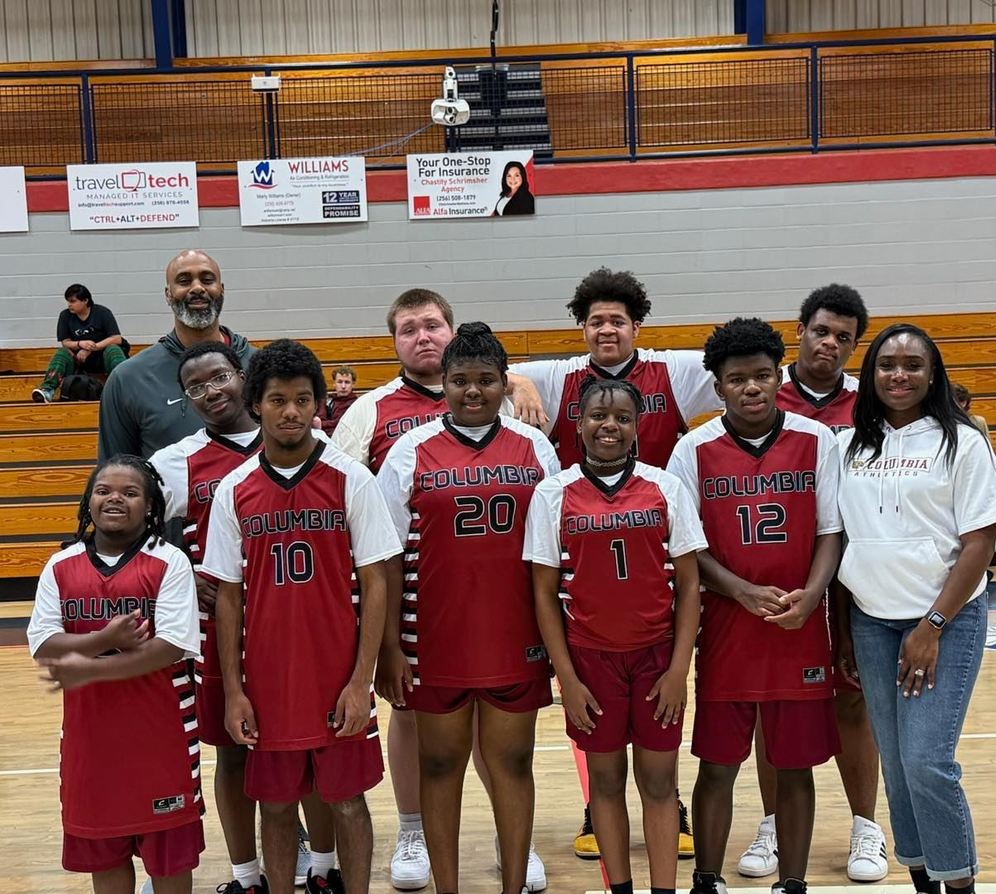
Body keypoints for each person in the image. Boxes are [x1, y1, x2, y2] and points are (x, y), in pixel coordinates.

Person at [332, 289, 548, 892]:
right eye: (460, 381)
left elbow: (551, 555)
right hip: (433, 637)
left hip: (515, 635)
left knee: (512, 763)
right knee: (440, 763)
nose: (472, 391)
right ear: (444, 384)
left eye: (485, 380)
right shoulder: (407, 451)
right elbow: (386, 556)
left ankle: (514, 872)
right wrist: (391, 650)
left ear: (506, 384)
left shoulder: (535, 447)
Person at [509, 267, 719, 859]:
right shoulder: (559, 376)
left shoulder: (670, 370)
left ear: (636, 327)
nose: (606, 329)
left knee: (657, 738)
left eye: (617, 321)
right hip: (587, 539)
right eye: (596, 320)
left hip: (656, 536)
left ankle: (667, 805)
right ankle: (597, 807)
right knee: (602, 731)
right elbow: (485, 365)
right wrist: (517, 381)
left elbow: (744, 371)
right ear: (582, 327)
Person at [202, 339, 401, 894]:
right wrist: (236, 691)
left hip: (337, 675)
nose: (291, 411)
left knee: (348, 803)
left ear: (319, 405)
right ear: (256, 405)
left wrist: (361, 682)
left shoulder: (349, 479)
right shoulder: (234, 490)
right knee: (277, 807)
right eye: (277, 400)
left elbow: (376, 580)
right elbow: (228, 597)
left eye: (302, 399)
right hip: (269, 682)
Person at [667, 317, 843, 894]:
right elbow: (685, 549)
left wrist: (813, 595)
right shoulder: (691, 450)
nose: (752, 388)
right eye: (737, 379)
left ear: (778, 377)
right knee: (718, 764)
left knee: (794, 766)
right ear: (716, 386)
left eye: (763, 376)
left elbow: (830, 532)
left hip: (799, 627)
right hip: (725, 629)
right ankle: (707, 879)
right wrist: (739, 590)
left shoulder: (817, 441)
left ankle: (792, 881)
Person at [836, 324, 996, 894]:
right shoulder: (847, 444)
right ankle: (923, 882)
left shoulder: (962, 441)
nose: (898, 375)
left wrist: (931, 625)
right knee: (900, 770)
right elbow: (837, 540)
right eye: (886, 365)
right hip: (872, 622)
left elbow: (980, 540)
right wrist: (840, 634)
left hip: (945, 620)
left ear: (933, 375)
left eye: (912, 365)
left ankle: (959, 885)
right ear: (870, 374)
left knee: (928, 760)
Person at [526, 376, 706, 894]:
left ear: (638, 424)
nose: (610, 426)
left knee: (658, 784)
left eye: (623, 418)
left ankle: (665, 889)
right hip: (590, 661)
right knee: (604, 784)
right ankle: (620, 888)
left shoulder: (665, 487)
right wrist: (567, 679)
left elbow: (690, 585)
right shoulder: (553, 492)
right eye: (598, 417)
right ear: (578, 424)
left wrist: (678, 670)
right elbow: (543, 593)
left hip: (655, 660)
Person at [738, 284, 887, 883]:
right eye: (821, 330)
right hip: (777, 576)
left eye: (844, 338)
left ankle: (866, 829)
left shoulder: (868, 404)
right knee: (769, 704)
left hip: (852, 575)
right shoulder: (762, 392)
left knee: (854, 699)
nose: (830, 344)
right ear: (799, 329)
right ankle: (773, 824)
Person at [27, 455, 203, 894]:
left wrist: (85, 669)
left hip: (162, 739)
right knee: (104, 861)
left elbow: (169, 648)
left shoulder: (170, 562)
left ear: (150, 507)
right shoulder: (60, 565)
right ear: (88, 502)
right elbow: (44, 643)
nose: (115, 499)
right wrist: (103, 637)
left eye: (130, 492)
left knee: (170, 865)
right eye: (104, 490)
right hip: (92, 742)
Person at [151, 342, 268, 894]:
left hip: (295, 617)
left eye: (218, 377)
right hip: (221, 627)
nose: (211, 392)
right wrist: (178, 571)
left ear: (240, 375)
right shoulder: (178, 460)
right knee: (233, 754)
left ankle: (315, 862)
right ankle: (246, 873)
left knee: (306, 750)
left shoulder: (293, 437)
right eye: (195, 387)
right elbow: (124, 519)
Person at [98, 250, 254, 461]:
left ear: (222, 290)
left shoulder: (261, 367)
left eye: (207, 280)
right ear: (168, 294)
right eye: (184, 281)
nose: (198, 288)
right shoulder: (128, 379)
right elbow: (115, 474)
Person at [32, 283, 129, 403]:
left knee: (113, 349)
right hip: (79, 359)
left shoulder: (102, 312)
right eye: (68, 301)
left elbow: (116, 338)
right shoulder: (65, 315)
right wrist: (80, 344)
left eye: (73, 301)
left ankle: (126, 388)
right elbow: (65, 342)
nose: (69, 305)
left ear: (85, 300)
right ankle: (47, 390)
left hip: (102, 357)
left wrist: (92, 348)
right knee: (62, 352)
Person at [321, 366, 359, 436]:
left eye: (347, 382)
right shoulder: (328, 401)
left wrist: (321, 424)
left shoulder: (356, 405)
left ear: (353, 385)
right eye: (340, 382)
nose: (343, 386)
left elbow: (340, 425)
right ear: (334, 384)